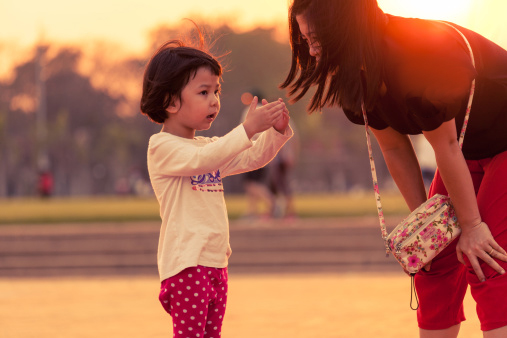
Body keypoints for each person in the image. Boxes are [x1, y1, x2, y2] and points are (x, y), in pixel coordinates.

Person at [280, 0, 507, 337]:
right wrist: (429, 228)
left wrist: (472, 227)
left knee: (486, 259)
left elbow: (442, 145)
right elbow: (395, 148)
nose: (312, 51)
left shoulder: (416, 53)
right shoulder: (353, 74)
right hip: (465, 148)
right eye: (305, 40)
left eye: (317, 38)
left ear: (347, 27)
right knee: (433, 260)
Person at [139, 34, 292, 338]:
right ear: (170, 101)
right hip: (187, 266)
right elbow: (204, 160)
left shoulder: (205, 146)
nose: (214, 101)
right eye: (204, 92)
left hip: (214, 263)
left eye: (216, 91)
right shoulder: (162, 148)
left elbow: (251, 157)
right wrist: (248, 128)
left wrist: (276, 131)